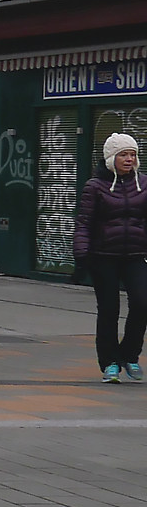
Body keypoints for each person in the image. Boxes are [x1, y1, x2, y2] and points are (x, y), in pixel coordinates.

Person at [72, 131, 147, 382]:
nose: (129, 159)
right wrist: (81, 254)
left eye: (133, 154)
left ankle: (129, 354)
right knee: (108, 309)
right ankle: (110, 363)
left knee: (142, 303)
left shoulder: (143, 184)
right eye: (123, 154)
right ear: (110, 157)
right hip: (103, 255)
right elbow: (84, 222)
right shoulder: (95, 186)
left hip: (136, 254)